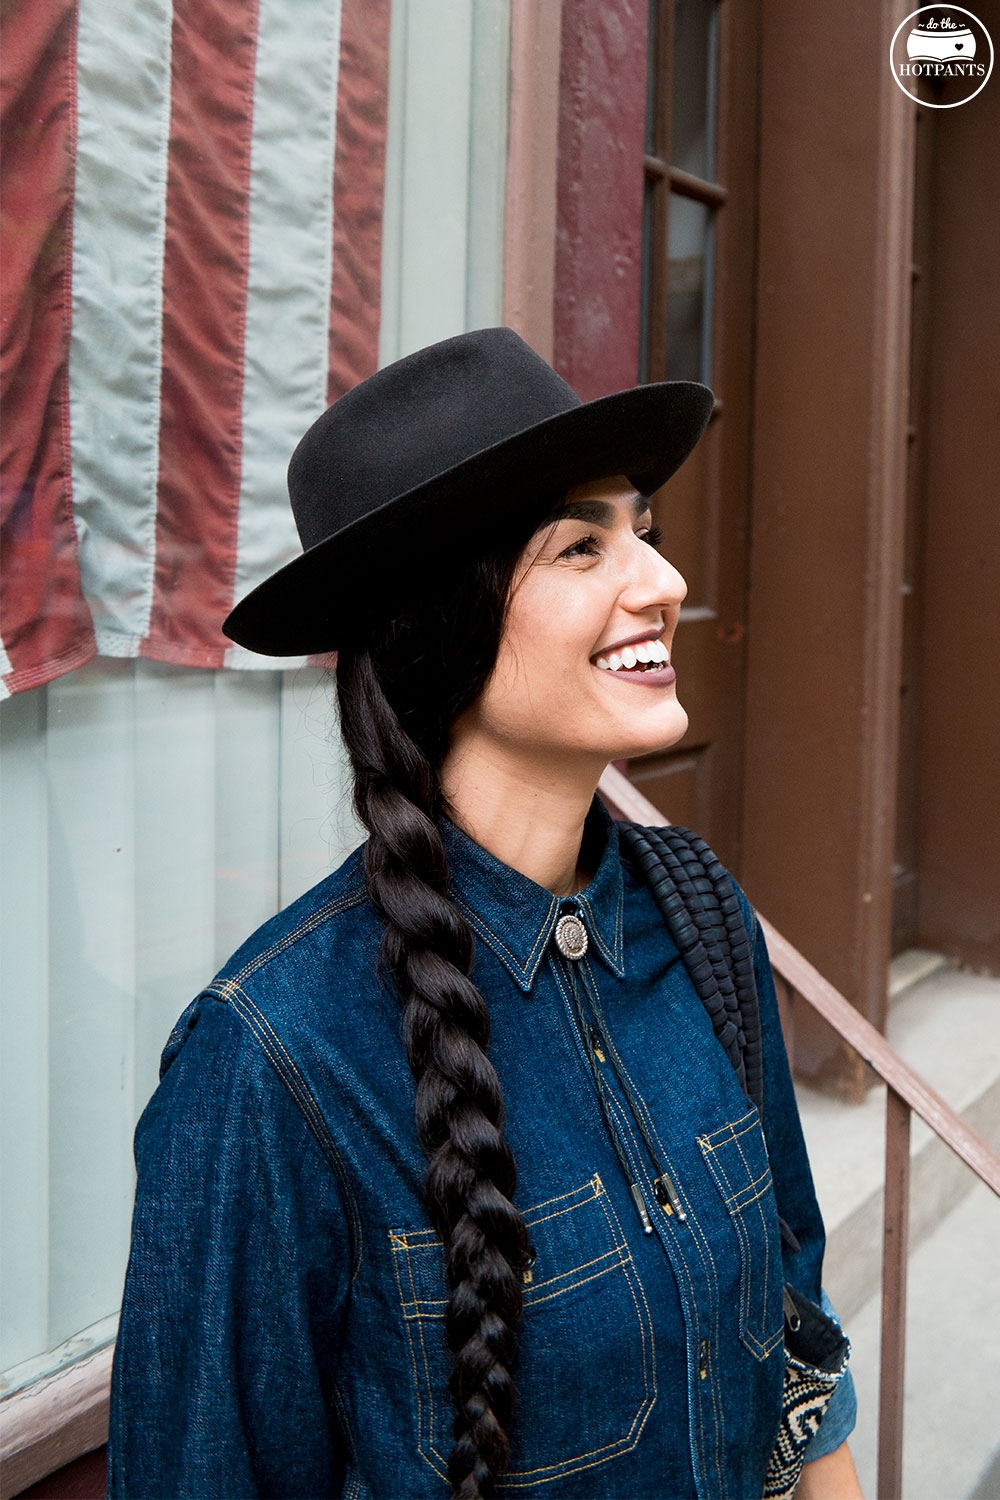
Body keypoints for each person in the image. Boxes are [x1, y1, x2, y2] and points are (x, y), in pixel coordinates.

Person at [107, 328, 860, 1499]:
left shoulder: (701, 923)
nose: (660, 584)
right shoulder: (273, 1061)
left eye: (643, 535)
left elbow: (798, 1342)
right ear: (439, 626)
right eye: (580, 546)